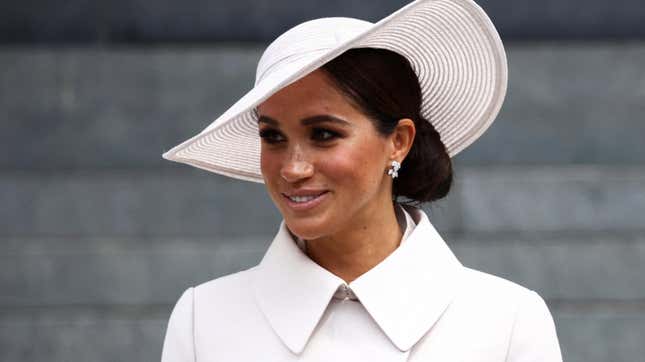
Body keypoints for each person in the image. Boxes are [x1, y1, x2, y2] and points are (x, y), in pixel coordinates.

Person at [160, 0, 563, 361]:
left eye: (323, 134)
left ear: (398, 142)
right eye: (273, 136)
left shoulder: (507, 323)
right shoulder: (204, 321)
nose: (293, 168)